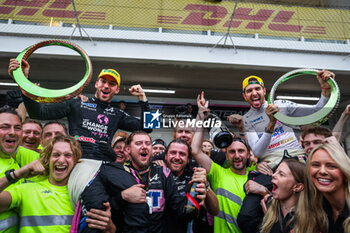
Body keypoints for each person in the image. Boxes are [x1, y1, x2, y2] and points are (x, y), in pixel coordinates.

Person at [8, 59, 151, 161]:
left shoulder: (117, 114)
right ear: (96, 84)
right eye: (103, 81)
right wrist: (24, 80)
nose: (107, 86)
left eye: (112, 84)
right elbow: (38, 113)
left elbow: (149, 128)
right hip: (78, 163)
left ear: (117, 90)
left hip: (104, 164)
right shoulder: (77, 103)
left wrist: (143, 98)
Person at [73, 131, 207, 233]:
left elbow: (181, 212)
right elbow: (104, 210)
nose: (144, 147)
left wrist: (195, 194)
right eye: (138, 144)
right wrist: (122, 196)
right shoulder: (115, 173)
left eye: (147, 143)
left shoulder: (164, 173)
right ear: (128, 149)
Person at [228, 70, 334, 169]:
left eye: (257, 89)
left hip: (296, 155)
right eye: (249, 90)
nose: (254, 93)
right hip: (271, 162)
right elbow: (258, 152)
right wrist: (271, 124)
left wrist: (325, 89)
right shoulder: (247, 119)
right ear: (245, 96)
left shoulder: (280, 104)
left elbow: (315, 111)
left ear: (264, 91)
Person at [191, 93, 264, 233]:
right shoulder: (218, 172)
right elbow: (195, 150)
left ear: (248, 154)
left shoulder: (256, 174)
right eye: (232, 152)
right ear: (226, 154)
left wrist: (242, 128)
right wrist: (201, 117)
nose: (237, 155)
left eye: (241, 151)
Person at [164, 139, 219, 233]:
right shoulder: (157, 173)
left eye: (182, 154)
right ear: (165, 156)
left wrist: (206, 185)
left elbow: (215, 211)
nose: (177, 157)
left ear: (188, 159)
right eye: (173, 153)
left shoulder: (194, 177)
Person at [293, 142, 350, 233]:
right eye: (316, 165)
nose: (322, 171)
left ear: (344, 171)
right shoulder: (313, 205)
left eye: (332, 166)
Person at [260, 159, 305, 233]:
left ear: (297, 187)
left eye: (281, 174)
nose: (273, 175)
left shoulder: (308, 218)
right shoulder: (269, 205)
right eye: (275, 172)